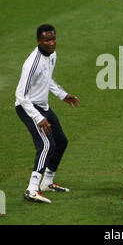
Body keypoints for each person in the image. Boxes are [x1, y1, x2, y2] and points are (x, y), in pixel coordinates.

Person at [15, 24, 80, 204]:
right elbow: (20, 95)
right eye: (47, 40)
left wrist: (62, 94)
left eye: (53, 39)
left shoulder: (52, 55)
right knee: (46, 145)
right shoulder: (32, 63)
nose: (52, 43)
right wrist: (38, 117)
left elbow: (47, 78)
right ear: (39, 41)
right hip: (28, 108)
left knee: (61, 142)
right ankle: (32, 189)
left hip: (43, 106)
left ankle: (47, 182)